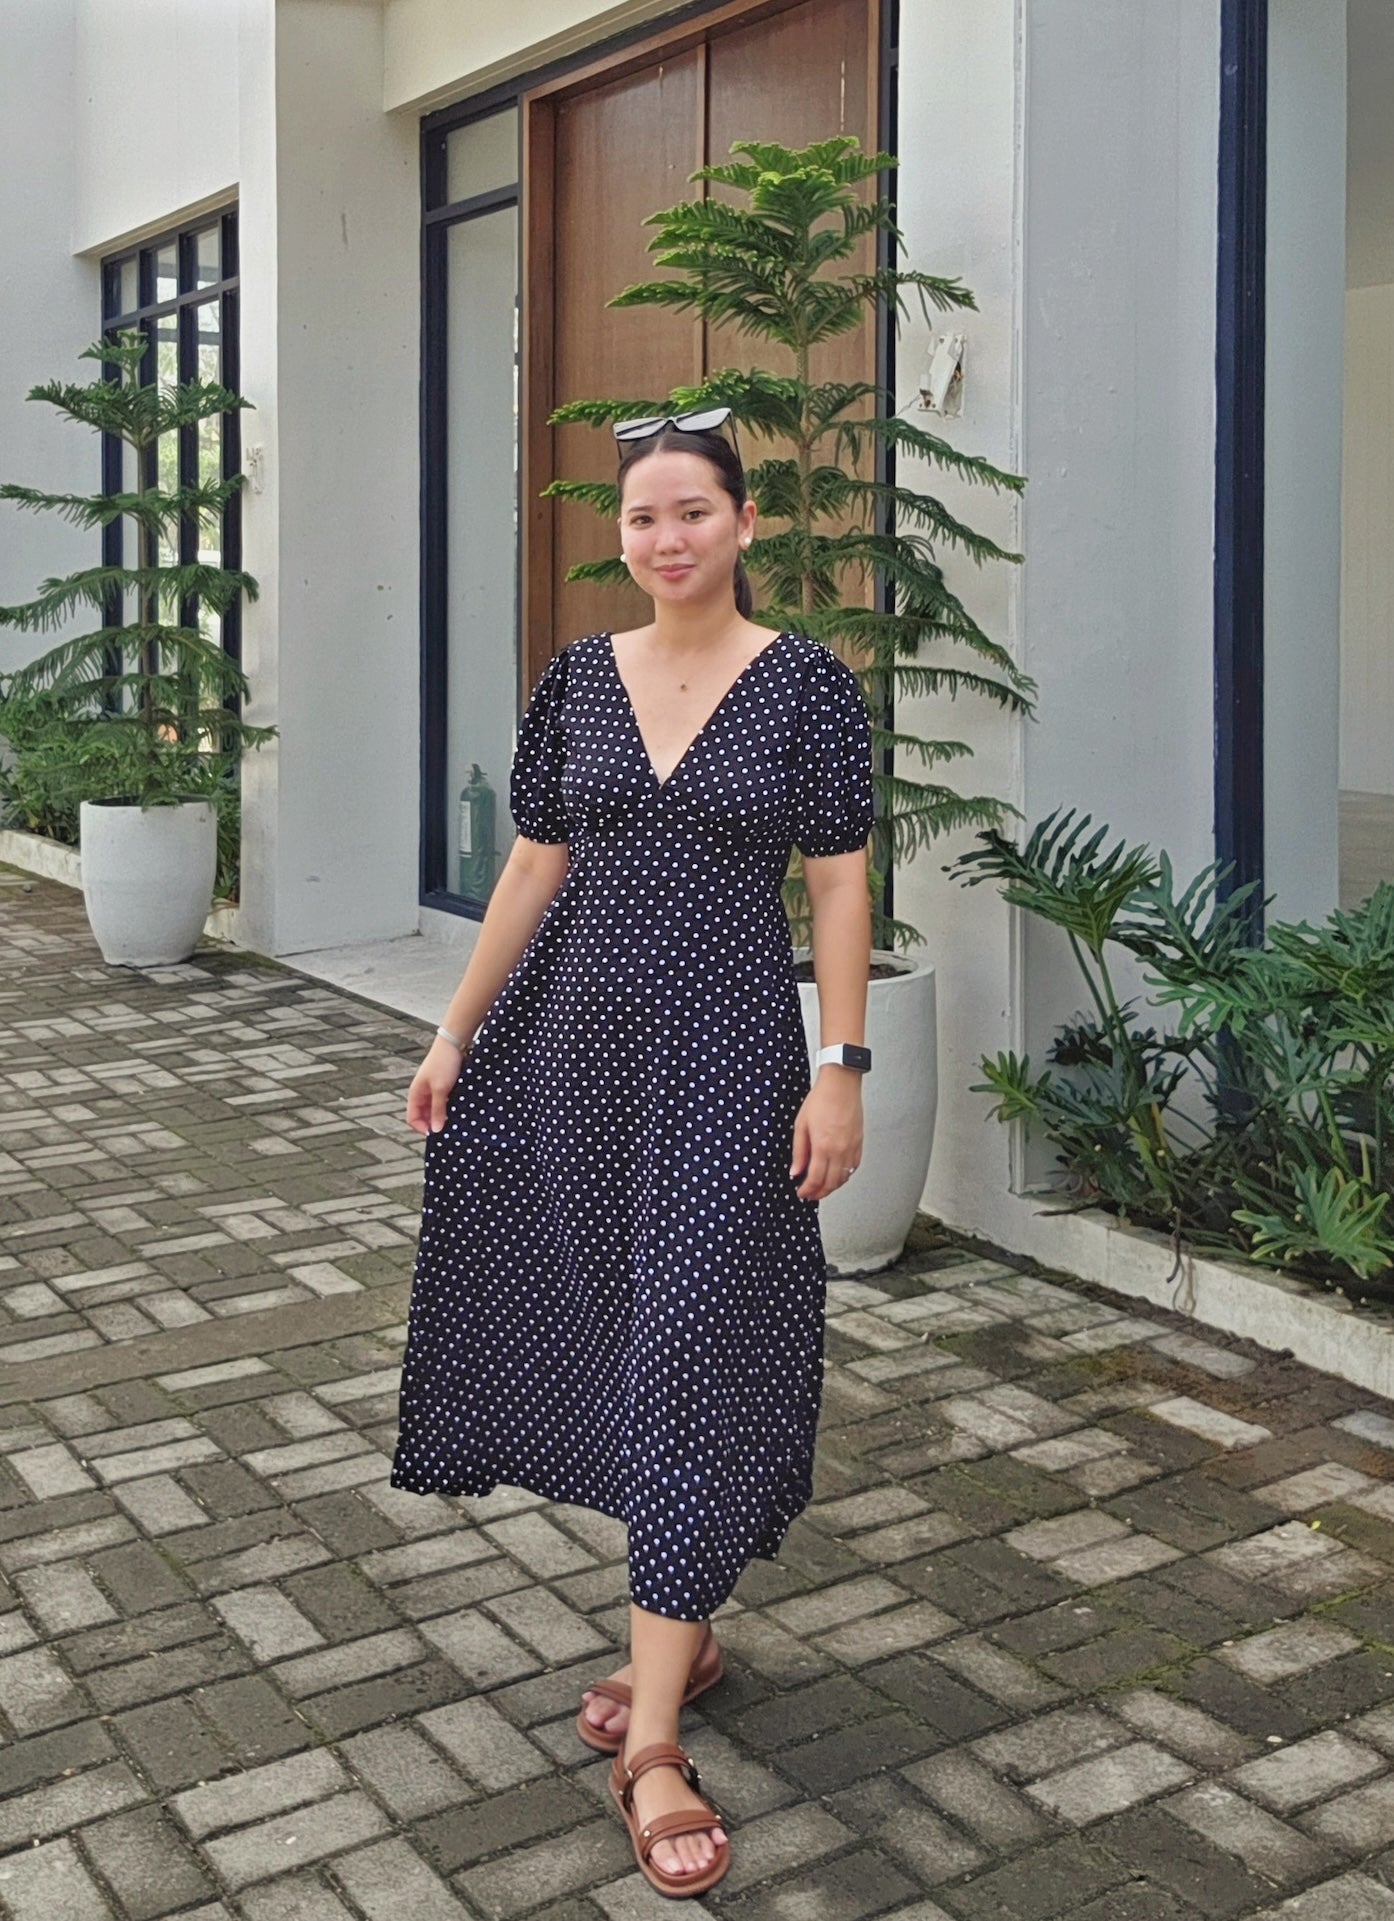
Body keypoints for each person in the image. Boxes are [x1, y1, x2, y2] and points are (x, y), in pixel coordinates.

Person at [393, 405, 873, 1899]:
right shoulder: (578, 681)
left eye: (693, 512)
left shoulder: (806, 687)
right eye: (641, 516)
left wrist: (841, 1066)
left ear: (747, 525)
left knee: (688, 1351)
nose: (665, 539)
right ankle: (692, 1622)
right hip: (571, 1059)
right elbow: (537, 858)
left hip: (731, 1066)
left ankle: (651, 1738)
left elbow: (844, 884)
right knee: (613, 1337)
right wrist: (454, 1029)